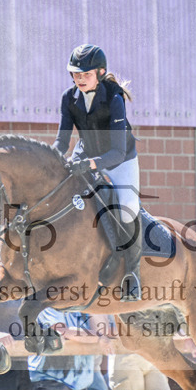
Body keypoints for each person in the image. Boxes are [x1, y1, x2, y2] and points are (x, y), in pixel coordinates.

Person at [55, 43, 142, 301]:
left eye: (86, 74)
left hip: (121, 159)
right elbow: (62, 142)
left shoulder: (114, 99)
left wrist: (91, 164)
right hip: (86, 152)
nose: (80, 79)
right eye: (76, 74)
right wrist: (53, 158)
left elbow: (115, 152)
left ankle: (133, 273)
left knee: (127, 208)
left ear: (100, 73)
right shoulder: (68, 99)